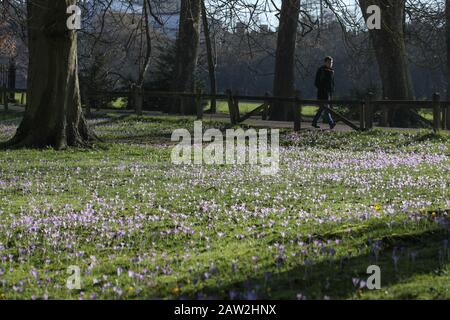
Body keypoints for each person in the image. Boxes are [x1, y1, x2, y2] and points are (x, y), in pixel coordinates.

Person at [312, 56, 336, 130]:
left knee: (322, 108)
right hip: (322, 93)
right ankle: (331, 123)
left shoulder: (332, 71)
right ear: (325, 62)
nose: (330, 64)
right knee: (326, 108)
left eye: (331, 62)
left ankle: (314, 122)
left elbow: (332, 83)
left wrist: (332, 90)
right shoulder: (321, 70)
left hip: (329, 93)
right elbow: (316, 82)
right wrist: (323, 89)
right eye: (329, 62)